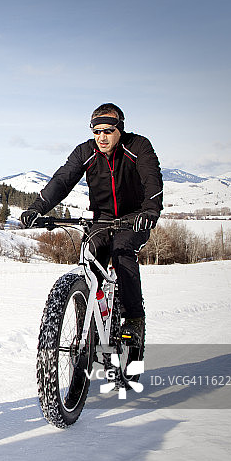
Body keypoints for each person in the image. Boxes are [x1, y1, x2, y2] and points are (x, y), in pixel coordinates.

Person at [20, 103, 163, 343]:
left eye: (108, 131)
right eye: (96, 131)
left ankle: (134, 318)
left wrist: (150, 210)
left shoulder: (138, 146)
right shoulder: (85, 151)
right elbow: (62, 181)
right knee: (90, 258)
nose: (101, 137)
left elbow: (152, 179)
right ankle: (86, 331)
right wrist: (37, 208)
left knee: (121, 251)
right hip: (102, 219)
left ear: (120, 129)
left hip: (134, 219)